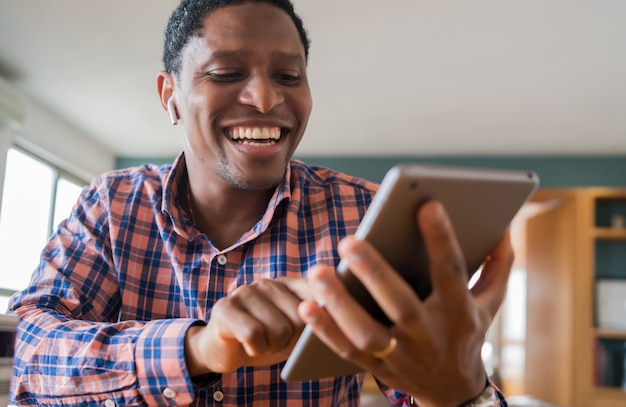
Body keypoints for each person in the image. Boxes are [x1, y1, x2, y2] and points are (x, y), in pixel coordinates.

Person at [9, 0, 513, 406]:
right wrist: (200, 348)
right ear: (171, 96)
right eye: (226, 72)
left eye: (289, 77)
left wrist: (459, 395)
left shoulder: (365, 217)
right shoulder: (112, 204)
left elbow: (417, 379)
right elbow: (30, 358)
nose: (266, 99)